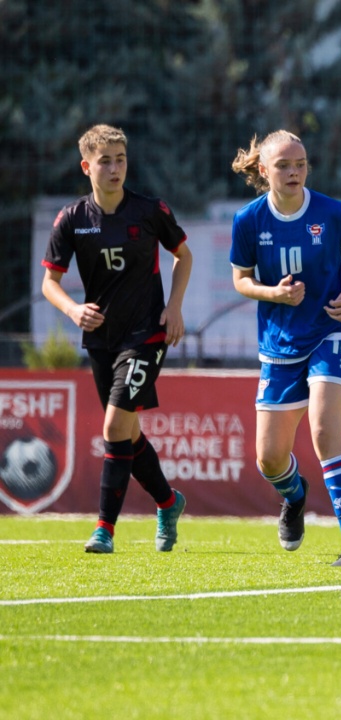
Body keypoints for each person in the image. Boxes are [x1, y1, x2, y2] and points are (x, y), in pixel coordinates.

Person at [229, 130, 341, 566]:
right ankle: (294, 497)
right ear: (264, 171)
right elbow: (241, 280)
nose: (294, 172)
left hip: (332, 331)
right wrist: (273, 294)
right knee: (270, 459)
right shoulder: (249, 220)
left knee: (322, 430)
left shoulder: (332, 212)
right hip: (279, 343)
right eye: (283, 166)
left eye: (301, 164)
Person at [41, 124, 192, 554]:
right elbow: (49, 283)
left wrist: (175, 306)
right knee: (126, 432)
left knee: (113, 426)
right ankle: (168, 501)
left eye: (120, 159)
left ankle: (104, 529)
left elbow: (184, 256)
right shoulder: (72, 219)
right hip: (100, 339)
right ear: (86, 166)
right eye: (105, 161)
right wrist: (72, 310)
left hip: (147, 333)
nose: (114, 168)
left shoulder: (149, 211)